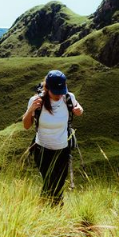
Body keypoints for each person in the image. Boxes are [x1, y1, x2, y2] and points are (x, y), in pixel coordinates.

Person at [23, 70, 84, 205]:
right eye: (55, 91)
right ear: (47, 88)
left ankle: (49, 211)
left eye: (61, 90)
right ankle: (50, 210)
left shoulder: (68, 97)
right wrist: (30, 110)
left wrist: (79, 109)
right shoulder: (36, 101)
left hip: (63, 149)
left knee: (59, 184)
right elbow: (26, 125)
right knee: (50, 182)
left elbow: (78, 107)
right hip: (42, 149)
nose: (59, 95)